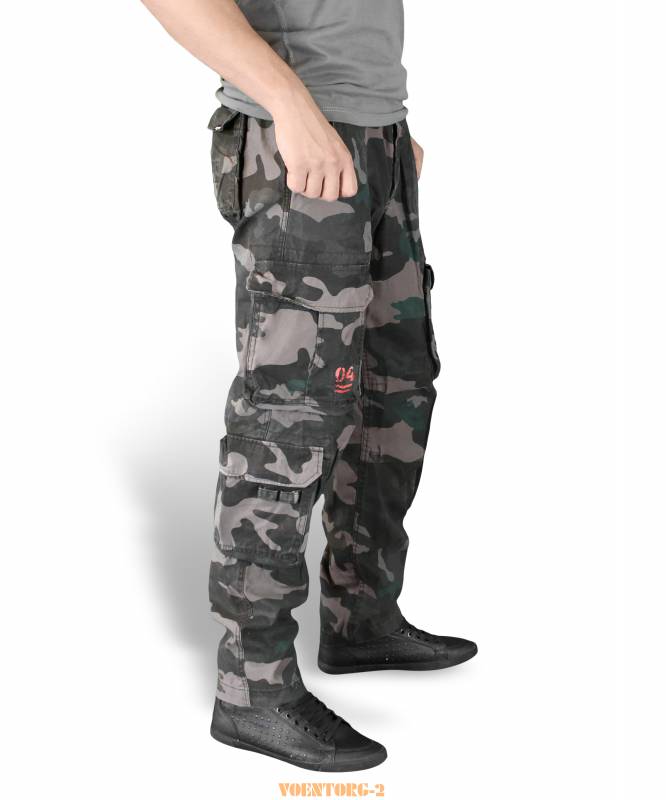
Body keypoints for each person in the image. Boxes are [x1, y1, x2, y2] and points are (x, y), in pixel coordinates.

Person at [141, 0, 478, 771]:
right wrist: (291, 104)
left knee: (394, 391)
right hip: (299, 139)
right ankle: (253, 689)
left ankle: (361, 616)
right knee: (289, 417)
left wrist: (382, 130)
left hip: (373, 137)